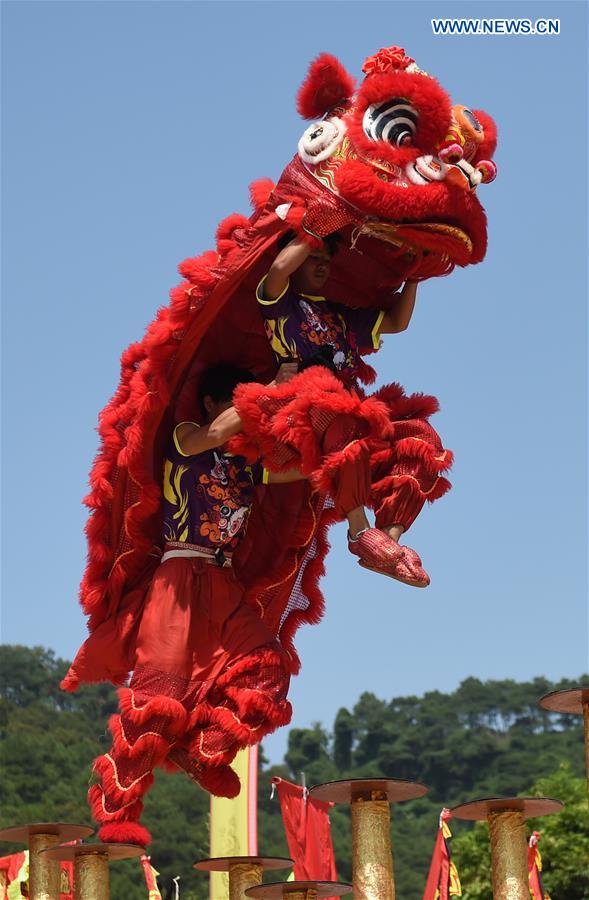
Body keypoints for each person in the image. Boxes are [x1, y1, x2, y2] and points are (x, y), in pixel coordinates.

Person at [88, 363, 301, 847]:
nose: (243, 416)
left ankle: (203, 750)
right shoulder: (187, 437)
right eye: (234, 403)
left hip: (223, 585)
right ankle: (115, 819)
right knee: (154, 706)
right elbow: (221, 430)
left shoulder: (247, 460)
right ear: (209, 405)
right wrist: (270, 390)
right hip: (178, 581)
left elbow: (304, 471)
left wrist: (353, 449)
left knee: (269, 667)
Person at [231, 234, 453, 587]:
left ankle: (388, 542)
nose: (321, 264)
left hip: (350, 421)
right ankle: (357, 530)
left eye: (325, 259)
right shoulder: (280, 305)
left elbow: (396, 322)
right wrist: (313, 231)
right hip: (299, 421)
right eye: (312, 257)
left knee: (421, 437)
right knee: (337, 409)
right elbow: (276, 270)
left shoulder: (341, 318)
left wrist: (415, 276)